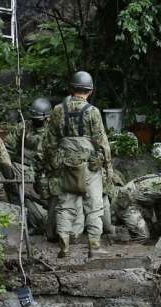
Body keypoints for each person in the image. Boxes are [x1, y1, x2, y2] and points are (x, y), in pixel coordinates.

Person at [44, 71, 114, 258]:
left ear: (71, 88)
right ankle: (94, 247)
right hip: (90, 167)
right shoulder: (93, 112)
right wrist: (107, 167)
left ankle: (64, 246)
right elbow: (102, 142)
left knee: (65, 205)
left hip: (66, 165)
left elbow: (49, 142)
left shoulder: (58, 110)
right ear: (90, 91)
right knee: (94, 206)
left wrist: (54, 165)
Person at [5, 97, 53, 235]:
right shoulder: (23, 127)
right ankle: (23, 222)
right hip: (23, 168)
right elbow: (8, 148)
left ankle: (41, 221)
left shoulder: (52, 130)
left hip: (44, 172)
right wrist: (9, 166)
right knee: (18, 192)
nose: (36, 121)